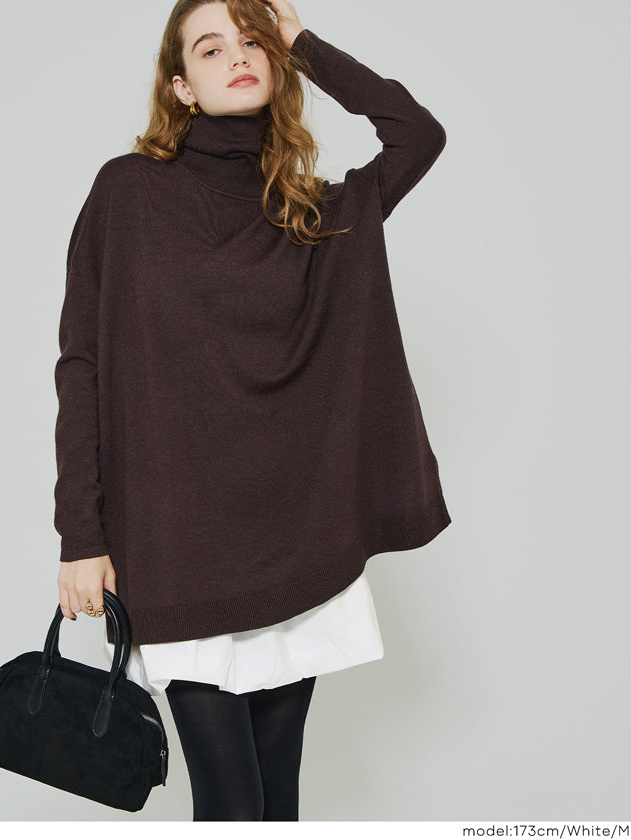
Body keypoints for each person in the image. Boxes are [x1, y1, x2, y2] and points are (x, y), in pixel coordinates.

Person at [54, 0, 450, 822]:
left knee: (276, 805)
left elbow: (417, 135)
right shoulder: (129, 192)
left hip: (294, 537)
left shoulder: (312, 212)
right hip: (174, 545)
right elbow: (82, 362)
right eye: (210, 49)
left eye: (252, 42)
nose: (237, 56)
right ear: (181, 87)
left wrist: (302, 41)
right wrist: (81, 536)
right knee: (231, 807)